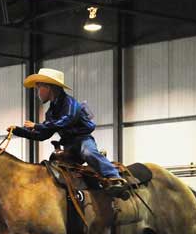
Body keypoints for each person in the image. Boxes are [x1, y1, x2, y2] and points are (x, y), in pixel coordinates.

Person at [8, 68, 127, 196]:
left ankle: (114, 178)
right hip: (68, 146)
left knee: (88, 153)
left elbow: (66, 120)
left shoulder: (70, 103)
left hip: (83, 140)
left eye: (39, 88)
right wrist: (19, 131)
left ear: (48, 87)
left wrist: (37, 126)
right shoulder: (51, 112)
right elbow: (43, 135)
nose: (38, 93)